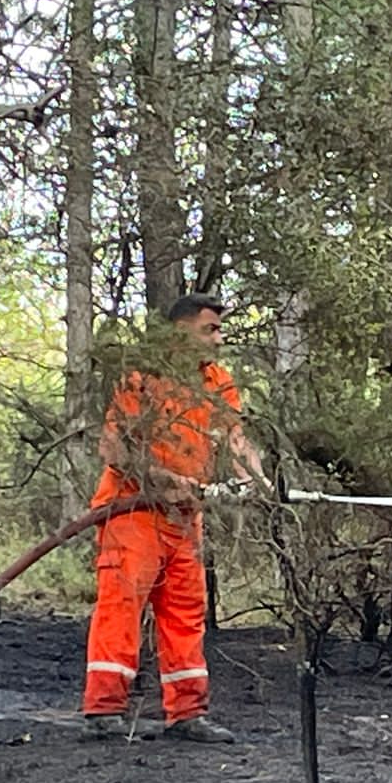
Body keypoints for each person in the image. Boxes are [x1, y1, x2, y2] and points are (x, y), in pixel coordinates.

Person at [83, 294, 265, 742]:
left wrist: (259, 483)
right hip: (132, 512)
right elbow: (115, 448)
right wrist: (163, 480)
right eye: (210, 330)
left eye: (219, 330)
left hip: (184, 518)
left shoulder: (217, 380)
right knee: (122, 607)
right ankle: (104, 710)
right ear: (181, 330)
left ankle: (187, 714)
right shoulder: (141, 376)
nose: (218, 340)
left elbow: (235, 440)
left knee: (186, 611)